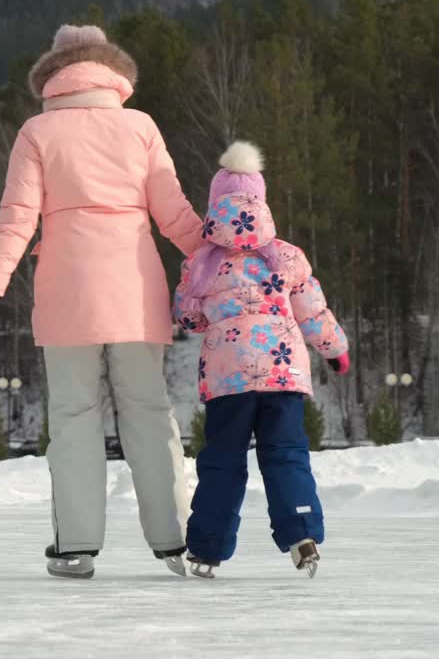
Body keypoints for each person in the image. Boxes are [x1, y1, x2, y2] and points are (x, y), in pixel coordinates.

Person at [0, 24, 206, 579]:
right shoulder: (140, 126)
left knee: (74, 417)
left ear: (54, 72)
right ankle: (177, 541)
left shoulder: (37, 131)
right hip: (135, 289)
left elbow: (16, 219)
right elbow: (175, 214)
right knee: (149, 412)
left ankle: (75, 547)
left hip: (66, 294)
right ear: (110, 70)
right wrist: (224, 264)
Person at [173, 140, 351, 579]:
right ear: (261, 203)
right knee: (286, 453)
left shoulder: (199, 264)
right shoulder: (288, 257)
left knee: (223, 459)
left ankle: (207, 550)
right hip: (282, 373)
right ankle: (302, 533)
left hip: (227, 380)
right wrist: (336, 350)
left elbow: (187, 317)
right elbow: (314, 312)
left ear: (215, 207)